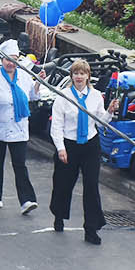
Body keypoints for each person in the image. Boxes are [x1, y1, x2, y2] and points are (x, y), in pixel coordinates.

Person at [49, 58, 108, 244]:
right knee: (63, 184)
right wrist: (60, 148)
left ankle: (91, 229)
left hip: (90, 144)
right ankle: (59, 215)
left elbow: (100, 121)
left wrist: (111, 112)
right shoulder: (63, 97)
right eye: (76, 73)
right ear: (71, 76)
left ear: (88, 76)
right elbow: (56, 126)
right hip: (69, 144)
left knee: (91, 185)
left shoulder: (96, 96)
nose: (79, 77)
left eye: (82, 73)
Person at [0, 40, 39, 212]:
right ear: (1, 59)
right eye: (7, 59)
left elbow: (34, 96)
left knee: (20, 164)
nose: (10, 63)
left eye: (13, 59)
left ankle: (27, 200)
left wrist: (39, 81)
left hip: (19, 128)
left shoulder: (25, 76)